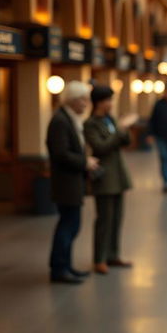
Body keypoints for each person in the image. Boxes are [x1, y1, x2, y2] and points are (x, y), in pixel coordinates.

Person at [47, 81, 100, 284]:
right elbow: (60, 153)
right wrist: (84, 162)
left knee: (72, 225)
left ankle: (66, 265)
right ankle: (59, 268)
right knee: (68, 226)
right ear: (73, 100)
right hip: (65, 183)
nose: (86, 104)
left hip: (72, 182)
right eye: (84, 100)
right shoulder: (60, 121)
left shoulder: (70, 119)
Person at [83, 84, 138, 275]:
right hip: (104, 178)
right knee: (104, 220)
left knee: (117, 219)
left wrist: (124, 129)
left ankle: (113, 254)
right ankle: (99, 258)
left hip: (118, 176)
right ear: (99, 102)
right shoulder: (90, 124)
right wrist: (119, 129)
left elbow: (126, 142)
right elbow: (100, 147)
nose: (111, 104)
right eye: (108, 100)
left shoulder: (111, 120)